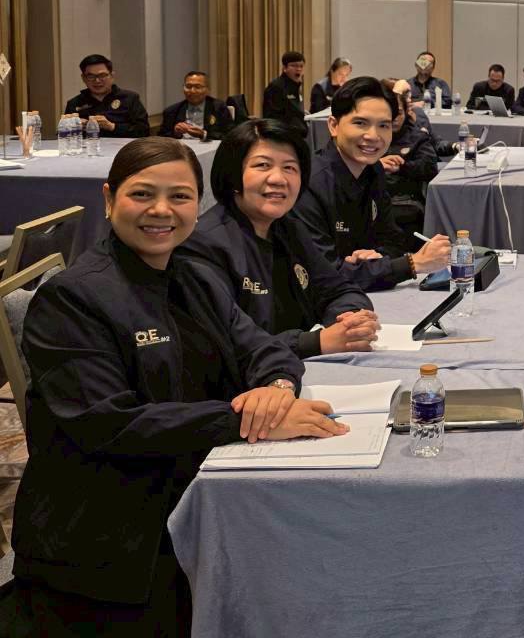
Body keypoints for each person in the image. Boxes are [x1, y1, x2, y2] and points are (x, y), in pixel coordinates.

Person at [9, 138, 345, 637]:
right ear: (109, 199)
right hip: (110, 540)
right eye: (142, 194)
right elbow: (109, 424)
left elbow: (264, 347)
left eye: (180, 197)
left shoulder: (195, 276)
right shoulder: (72, 300)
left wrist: (276, 389)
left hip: (197, 491)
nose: (161, 210)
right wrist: (243, 421)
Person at [180, 119, 382, 358]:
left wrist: (349, 320)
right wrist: (315, 341)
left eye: (289, 168)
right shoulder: (204, 245)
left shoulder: (289, 229)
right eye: (263, 165)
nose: (278, 179)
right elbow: (227, 345)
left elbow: (339, 289)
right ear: (232, 174)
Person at [292, 76, 451, 291]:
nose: (373, 136)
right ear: (334, 126)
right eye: (360, 123)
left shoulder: (373, 170)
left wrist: (377, 257)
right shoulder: (308, 183)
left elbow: (393, 241)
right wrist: (413, 264)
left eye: (384, 125)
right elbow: (324, 274)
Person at [379, 79, 440, 256]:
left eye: (398, 113)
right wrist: (377, 165)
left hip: (404, 200)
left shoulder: (417, 137)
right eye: (389, 114)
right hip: (372, 200)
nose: (394, 119)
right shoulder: (373, 138)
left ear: (406, 111)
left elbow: (430, 168)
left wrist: (402, 167)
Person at [63, 53, 150, 138]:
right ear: (83, 78)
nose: (97, 81)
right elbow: (62, 136)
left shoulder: (130, 98)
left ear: (112, 76)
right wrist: (74, 128)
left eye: (102, 75)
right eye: (91, 76)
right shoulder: (74, 103)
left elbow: (144, 131)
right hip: (87, 147)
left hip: (123, 147)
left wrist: (112, 126)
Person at [158, 71, 232, 142]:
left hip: (209, 147)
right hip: (181, 148)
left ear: (207, 90)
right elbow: (161, 138)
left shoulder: (218, 108)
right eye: (188, 86)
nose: (192, 91)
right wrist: (175, 133)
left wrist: (204, 134)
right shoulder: (172, 111)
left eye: (198, 87)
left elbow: (230, 135)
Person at [261, 50, 306, 136]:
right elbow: (273, 117)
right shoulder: (276, 87)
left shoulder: (296, 86)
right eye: (294, 66)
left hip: (297, 133)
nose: (298, 69)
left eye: (301, 66)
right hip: (283, 134)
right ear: (285, 68)